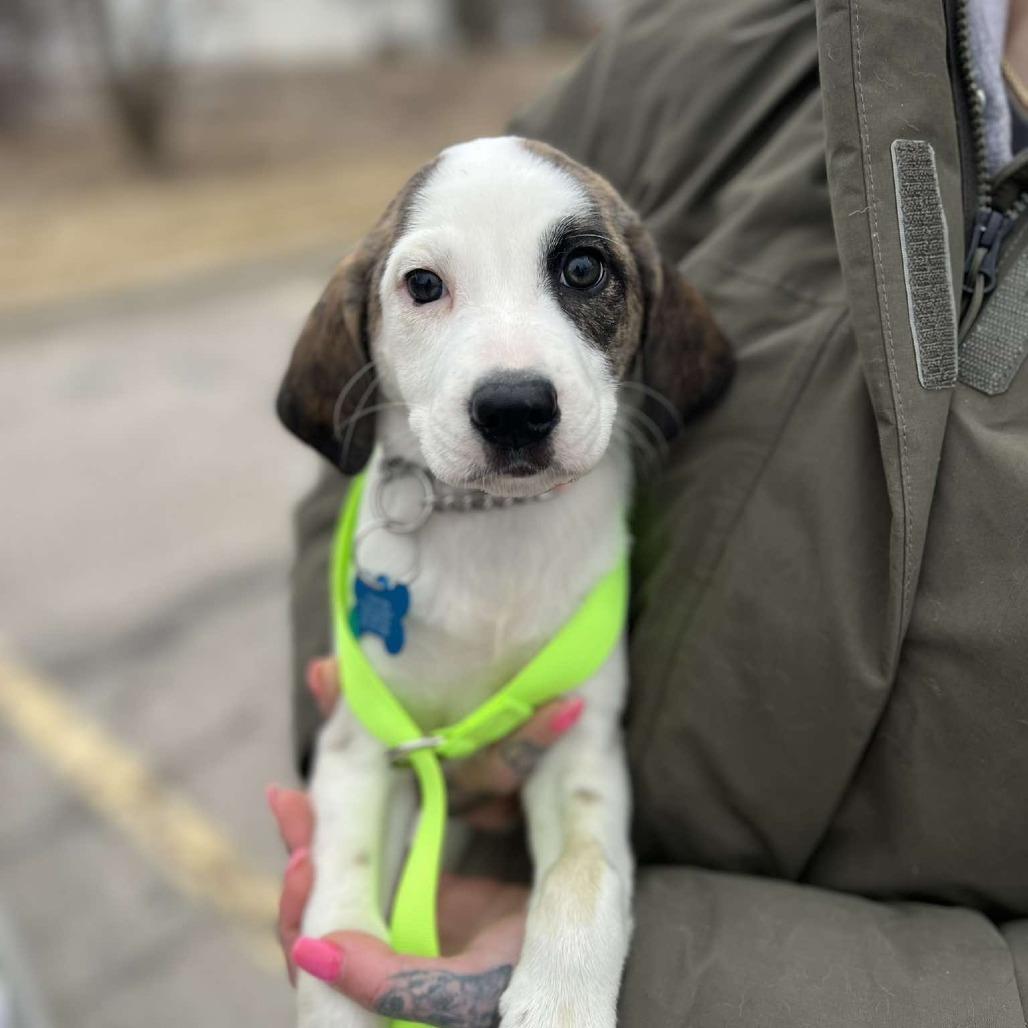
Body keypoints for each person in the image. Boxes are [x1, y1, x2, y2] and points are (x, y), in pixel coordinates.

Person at [266, 0, 1028, 1023]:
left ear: (651, 316)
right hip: (453, 873)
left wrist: (644, 969)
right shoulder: (716, 49)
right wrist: (387, 699)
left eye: (577, 271)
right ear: (364, 329)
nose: (511, 378)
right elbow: (340, 483)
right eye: (426, 288)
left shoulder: (665, 341)